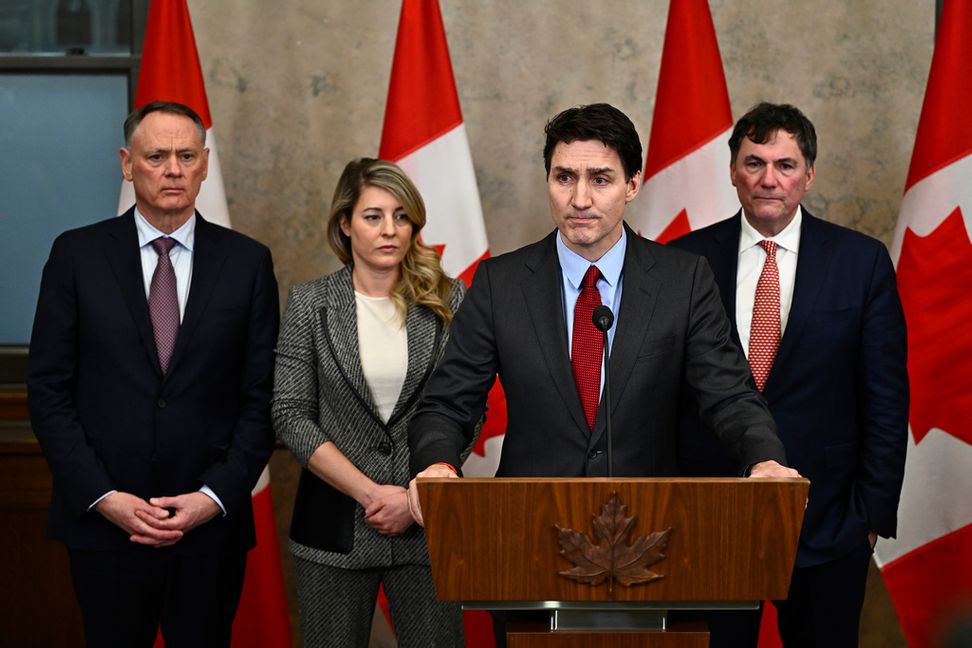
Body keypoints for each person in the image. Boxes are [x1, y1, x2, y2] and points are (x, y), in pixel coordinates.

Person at [406, 103, 799, 522]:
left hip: (651, 525)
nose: (580, 199)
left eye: (600, 179)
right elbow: (447, 403)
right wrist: (438, 464)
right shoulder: (499, 284)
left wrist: (764, 460)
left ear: (632, 185)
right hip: (529, 523)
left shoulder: (682, 281)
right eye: (564, 178)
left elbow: (729, 394)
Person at [26, 100, 279, 647]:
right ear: (126, 163)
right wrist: (102, 496)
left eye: (186, 156)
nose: (173, 169)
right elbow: (48, 391)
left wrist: (212, 497)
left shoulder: (248, 262)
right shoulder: (76, 256)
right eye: (157, 155)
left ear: (205, 164)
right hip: (104, 524)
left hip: (208, 527)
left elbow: (262, 399)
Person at [669, 102, 908, 648]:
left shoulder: (860, 261)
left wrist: (869, 516)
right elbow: (664, 393)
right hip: (711, 518)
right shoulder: (683, 262)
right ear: (732, 171)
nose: (769, 180)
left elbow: (886, 399)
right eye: (754, 163)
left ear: (809, 173)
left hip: (828, 518)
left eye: (785, 164)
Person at [272, 158, 467, 647]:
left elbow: (467, 407)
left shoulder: (450, 300)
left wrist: (412, 498)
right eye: (373, 216)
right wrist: (369, 493)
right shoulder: (310, 303)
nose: (390, 230)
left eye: (402, 216)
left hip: (425, 523)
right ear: (345, 222)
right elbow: (290, 413)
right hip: (332, 525)